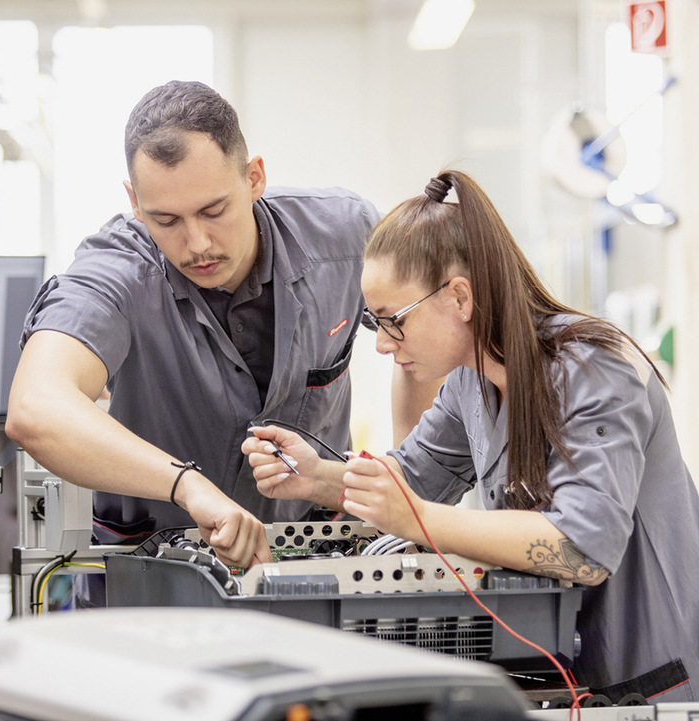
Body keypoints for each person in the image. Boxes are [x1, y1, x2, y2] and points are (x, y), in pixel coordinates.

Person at [243, 170, 699, 702]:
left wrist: (418, 517)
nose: (383, 345)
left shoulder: (594, 368)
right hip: (574, 672)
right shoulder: (471, 384)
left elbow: (585, 547)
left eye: (393, 320)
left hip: (660, 676)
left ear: (460, 298)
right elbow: (413, 477)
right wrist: (316, 476)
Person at [6, 80, 408, 604]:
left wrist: (409, 491)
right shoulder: (116, 271)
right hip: (155, 582)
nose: (195, 244)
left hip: (314, 568)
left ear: (254, 177)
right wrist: (187, 487)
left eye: (214, 210)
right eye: (165, 219)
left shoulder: (343, 238)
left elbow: (425, 344)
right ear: (134, 203)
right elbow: (35, 409)